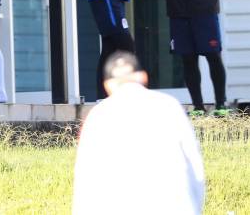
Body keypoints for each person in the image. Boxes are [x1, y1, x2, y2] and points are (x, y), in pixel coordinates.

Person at [73, 51, 205, 215]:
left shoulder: (97, 115)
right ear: (143, 77)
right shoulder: (169, 106)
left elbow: (85, 183)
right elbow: (196, 171)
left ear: (107, 85)